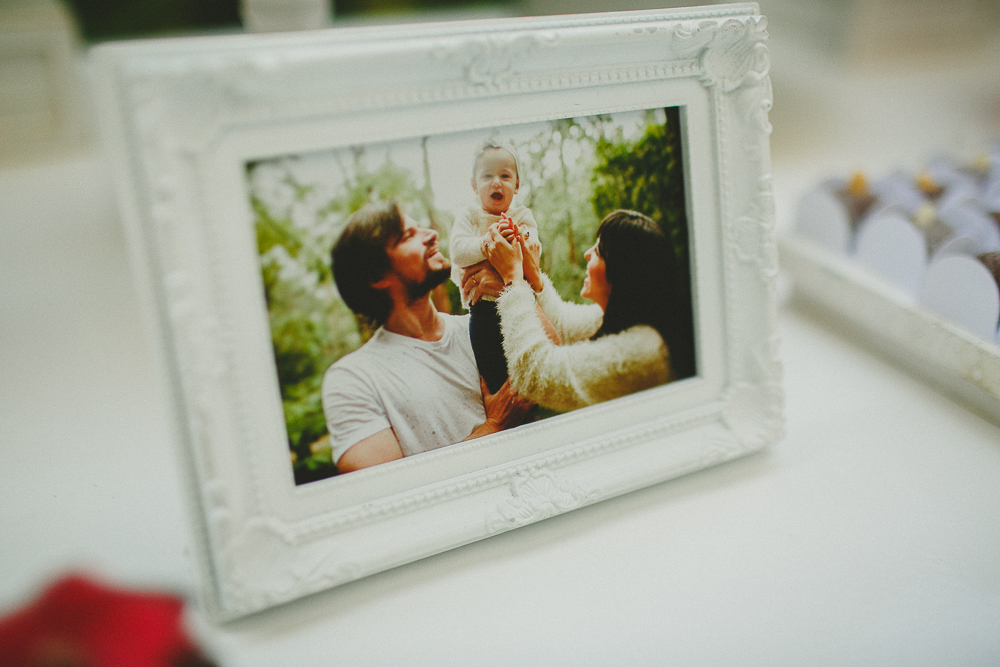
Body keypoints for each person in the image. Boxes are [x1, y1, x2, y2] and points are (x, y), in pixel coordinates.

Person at [322, 200, 533, 473]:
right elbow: (389, 490)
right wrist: (495, 426)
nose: (432, 234)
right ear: (377, 276)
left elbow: (554, 364)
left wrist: (515, 284)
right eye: (408, 235)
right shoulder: (353, 379)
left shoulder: (481, 328)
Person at [464, 209, 694, 413]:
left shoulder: (645, 352)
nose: (587, 254)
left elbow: (535, 373)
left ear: (623, 273)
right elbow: (563, 327)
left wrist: (513, 280)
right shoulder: (630, 322)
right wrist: (532, 276)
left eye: (598, 251)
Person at [449, 139, 541, 393]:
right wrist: (488, 243)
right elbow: (458, 251)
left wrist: (517, 237)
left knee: (527, 363)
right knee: (493, 374)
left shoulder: (521, 217)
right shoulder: (469, 216)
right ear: (474, 185)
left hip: (519, 304)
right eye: (487, 176)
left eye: (505, 176)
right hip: (483, 311)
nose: (496, 182)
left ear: (517, 185)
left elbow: (533, 252)